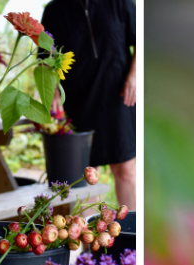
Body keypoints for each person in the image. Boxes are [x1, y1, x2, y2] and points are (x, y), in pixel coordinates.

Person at [41, 0, 137, 209]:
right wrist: (53, 90)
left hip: (118, 96)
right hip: (77, 99)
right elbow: (45, 57)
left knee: (126, 168)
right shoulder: (54, 11)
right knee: (84, 173)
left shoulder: (121, 3)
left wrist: (135, 74)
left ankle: (134, 230)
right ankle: (91, 234)